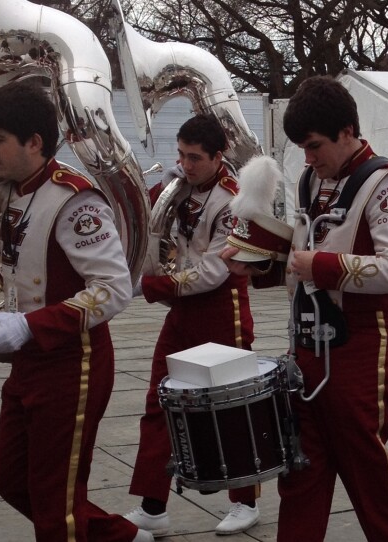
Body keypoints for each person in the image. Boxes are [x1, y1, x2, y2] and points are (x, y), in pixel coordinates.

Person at [221, 75, 388, 541]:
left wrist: (320, 266)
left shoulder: (385, 182)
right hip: (307, 346)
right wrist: (265, 270)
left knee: (369, 475)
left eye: (314, 146)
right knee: (300, 473)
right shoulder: (314, 179)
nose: (307, 159)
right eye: (302, 150)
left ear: (347, 131)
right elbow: (302, 262)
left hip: (361, 345)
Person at [0, 82, 151, 541]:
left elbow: (113, 289)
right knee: (12, 481)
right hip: (31, 359)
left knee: (55, 499)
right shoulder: (8, 187)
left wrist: (30, 325)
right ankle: (119, 537)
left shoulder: (75, 200)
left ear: (34, 142)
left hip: (74, 362)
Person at [124, 114, 260, 537]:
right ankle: (153, 505)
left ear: (219, 157)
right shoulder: (177, 186)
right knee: (159, 402)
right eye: (181, 155)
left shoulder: (235, 200)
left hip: (222, 309)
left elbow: (212, 272)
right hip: (182, 310)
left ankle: (245, 501)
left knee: (230, 406)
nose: (185, 165)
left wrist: (153, 284)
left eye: (195, 158)